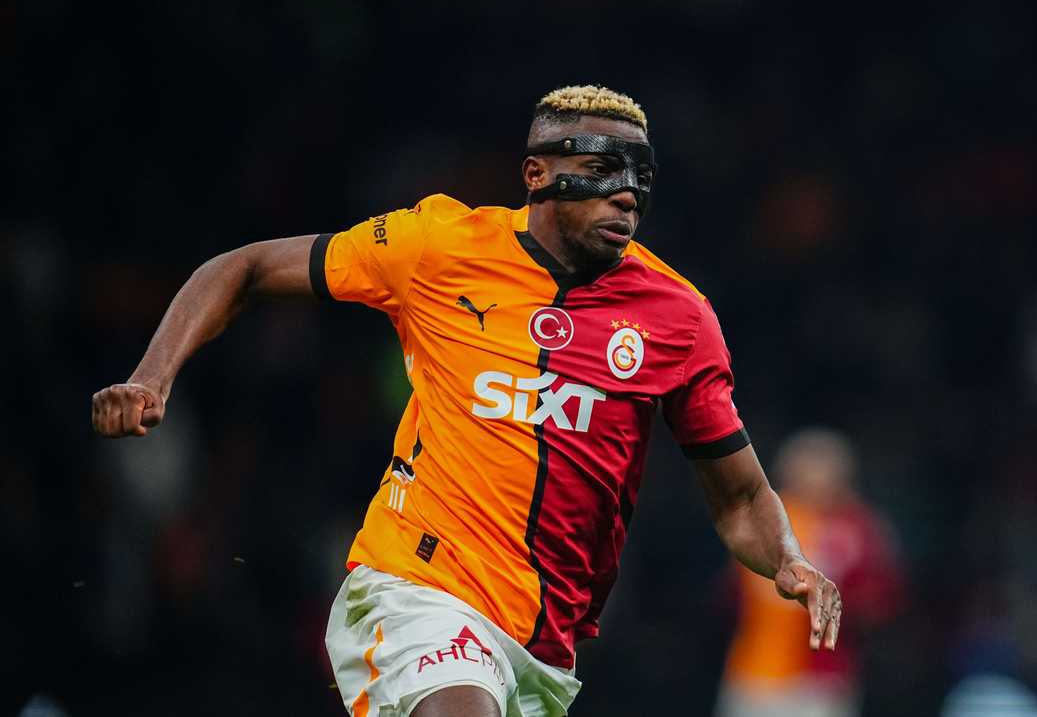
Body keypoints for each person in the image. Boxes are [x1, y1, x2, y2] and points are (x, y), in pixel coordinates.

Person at [91, 85, 841, 717]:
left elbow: (739, 496)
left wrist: (788, 559)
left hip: (544, 645)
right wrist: (153, 376)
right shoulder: (437, 246)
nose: (626, 192)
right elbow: (244, 266)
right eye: (603, 167)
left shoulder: (678, 317)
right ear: (538, 173)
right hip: (415, 586)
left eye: (640, 175)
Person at [715, 428, 903, 717]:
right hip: (753, 670)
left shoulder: (856, 527)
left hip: (820, 677)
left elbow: (880, 601)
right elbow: (732, 594)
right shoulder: (768, 519)